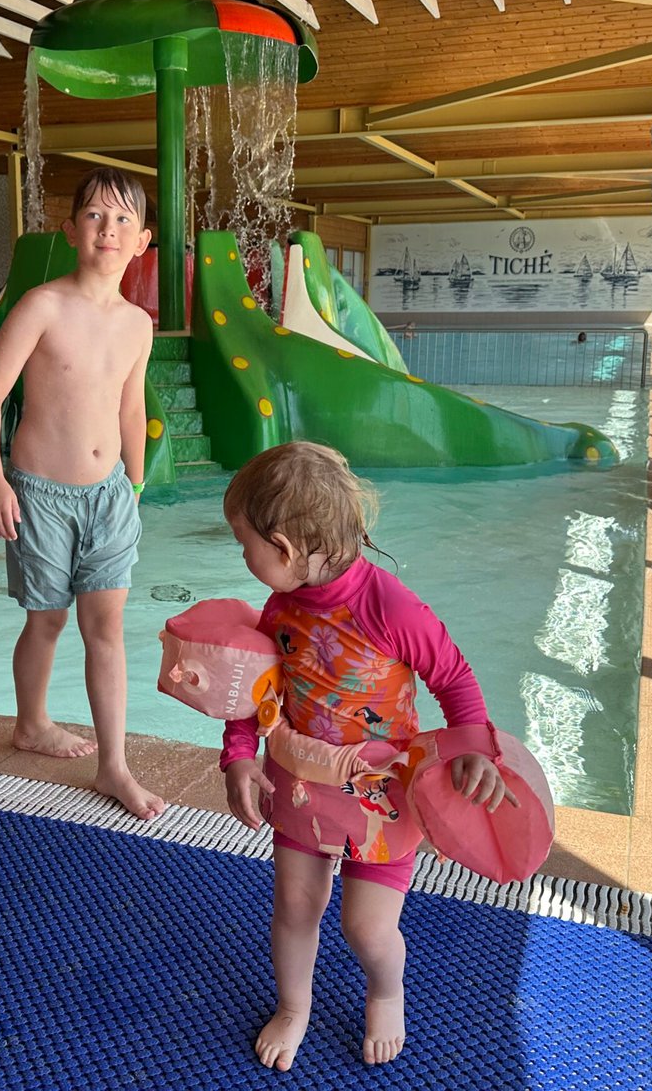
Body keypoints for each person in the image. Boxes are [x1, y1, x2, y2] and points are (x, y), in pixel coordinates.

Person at [219, 441, 516, 1071]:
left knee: (366, 928)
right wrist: (239, 755)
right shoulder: (281, 609)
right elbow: (256, 693)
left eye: (243, 542)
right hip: (301, 791)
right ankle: (295, 1007)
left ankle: (386, 989)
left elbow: (453, 677)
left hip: (381, 797)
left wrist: (473, 750)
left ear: (284, 547)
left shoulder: (389, 606)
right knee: (295, 908)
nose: (241, 555)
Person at [0, 167, 163, 821]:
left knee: (105, 627)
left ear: (143, 242)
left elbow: (131, 409)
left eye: (123, 221)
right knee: (47, 619)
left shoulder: (139, 324)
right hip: (40, 494)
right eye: (95, 217)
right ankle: (32, 723)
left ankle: (113, 765)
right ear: (72, 229)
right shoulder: (42, 305)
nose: (108, 230)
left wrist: (134, 483)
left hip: (110, 496)